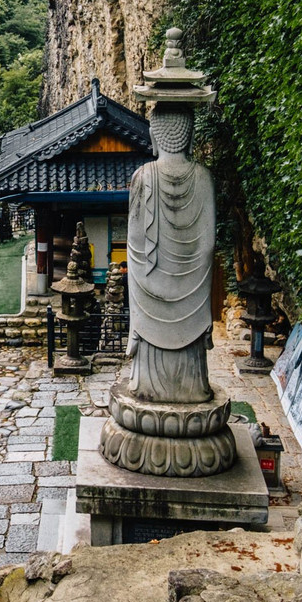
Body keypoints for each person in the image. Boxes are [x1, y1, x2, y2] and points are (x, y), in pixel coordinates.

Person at [125, 106, 215, 403]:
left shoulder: (143, 177)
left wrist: (142, 303)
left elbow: (136, 250)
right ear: (190, 137)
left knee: (143, 400)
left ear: (153, 136)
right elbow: (208, 248)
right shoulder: (203, 177)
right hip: (193, 298)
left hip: (150, 293)